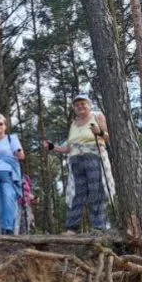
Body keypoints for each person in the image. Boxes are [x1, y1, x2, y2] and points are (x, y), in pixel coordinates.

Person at [43, 94, 114, 234]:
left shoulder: (97, 116)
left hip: (93, 157)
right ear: (74, 108)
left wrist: (99, 132)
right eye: (77, 105)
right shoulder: (74, 124)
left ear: (90, 105)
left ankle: (99, 227)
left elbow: (108, 137)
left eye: (83, 103)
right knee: (76, 194)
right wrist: (53, 147)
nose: (80, 106)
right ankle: (72, 228)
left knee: (96, 191)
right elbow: (69, 148)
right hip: (76, 160)